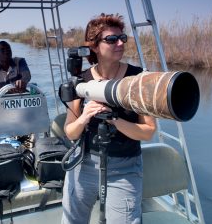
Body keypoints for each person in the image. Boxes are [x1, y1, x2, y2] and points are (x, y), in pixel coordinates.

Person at [61, 13, 156, 224]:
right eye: (111, 40)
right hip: (84, 163)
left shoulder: (139, 78)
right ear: (94, 47)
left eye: (123, 38)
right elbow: (70, 131)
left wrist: (114, 119)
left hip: (124, 167)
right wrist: (85, 116)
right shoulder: (81, 81)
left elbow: (148, 131)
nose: (120, 43)